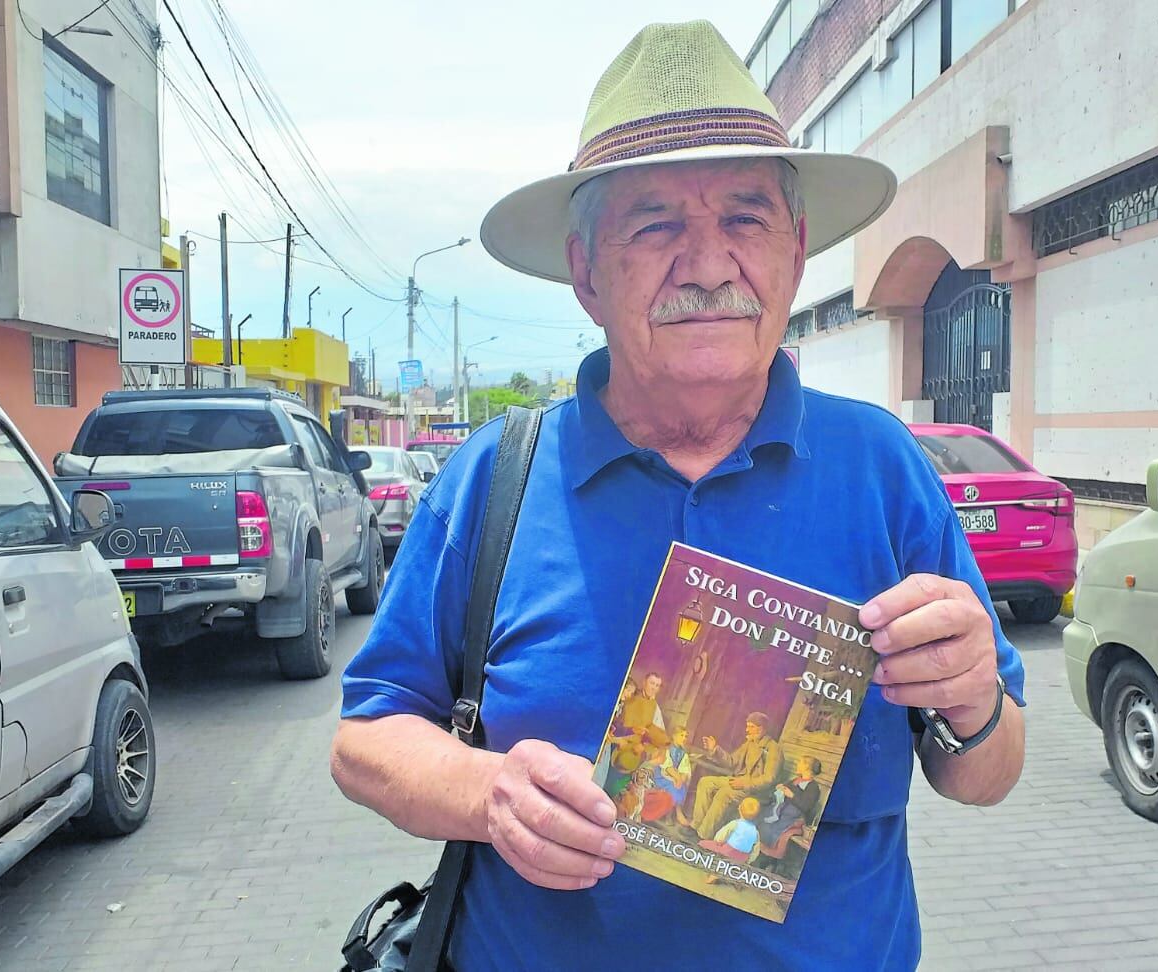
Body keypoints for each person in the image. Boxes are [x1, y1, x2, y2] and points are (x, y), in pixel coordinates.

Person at [331, 20, 1025, 971]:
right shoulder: (497, 479)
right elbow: (367, 740)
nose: (706, 264)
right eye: (655, 224)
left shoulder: (880, 467)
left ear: (795, 249)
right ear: (585, 270)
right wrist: (487, 792)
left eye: (746, 217)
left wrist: (977, 699)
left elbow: (985, 773)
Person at [687, 711, 782, 841]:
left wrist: (744, 783)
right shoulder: (750, 743)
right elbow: (731, 762)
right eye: (747, 726)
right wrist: (715, 749)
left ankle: (703, 834)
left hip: (755, 790)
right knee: (705, 782)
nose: (747, 730)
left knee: (725, 793)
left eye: (751, 726)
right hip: (739, 781)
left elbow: (769, 778)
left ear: (760, 728)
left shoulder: (773, 749)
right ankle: (696, 825)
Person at [757, 755, 823, 848]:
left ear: (807, 767)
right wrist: (780, 787)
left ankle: (765, 854)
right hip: (781, 810)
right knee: (761, 818)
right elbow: (784, 788)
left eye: (800, 762)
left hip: (794, 817)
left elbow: (806, 806)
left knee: (770, 829)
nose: (797, 764)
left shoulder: (813, 787)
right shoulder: (796, 780)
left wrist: (791, 795)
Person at [699, 796, 762, 866]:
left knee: (702, 843)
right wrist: (748, 860)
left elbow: (721, 836)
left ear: (739, 808)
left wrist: (718, 842)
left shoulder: (735, 823)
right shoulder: (756, 832)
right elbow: (755, 850)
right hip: (742, 858)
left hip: (728, 852)